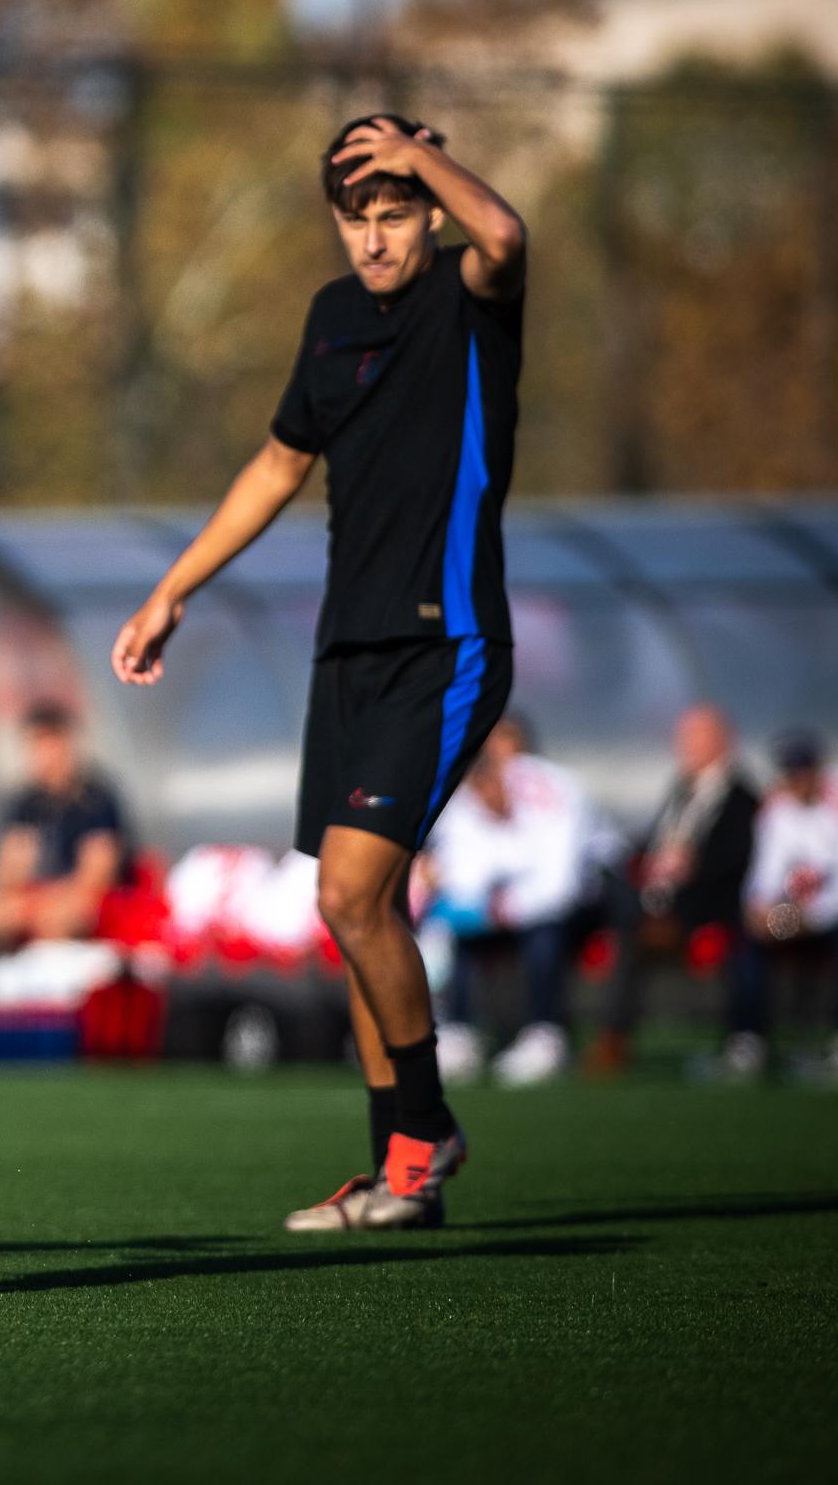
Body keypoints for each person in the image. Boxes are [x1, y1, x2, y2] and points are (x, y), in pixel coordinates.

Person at [111, 113, 526, 1234]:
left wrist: (422, 153)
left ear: (428, 210)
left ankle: (425, 1130)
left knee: (350, 891)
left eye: (397, 214)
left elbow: (504, 226)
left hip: (445, 645)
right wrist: (175, 586)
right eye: (360, 218)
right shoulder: (333, 317)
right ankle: (400, 1170)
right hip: (346, 646)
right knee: (352, 909)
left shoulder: (471, 297)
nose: (378, 239)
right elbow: (279, 462)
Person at [0, 701, 127, 1068]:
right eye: (35, 746)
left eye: (49, 744)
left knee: (59, 914)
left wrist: (32, 897)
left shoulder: (96, 798)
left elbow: (95, 878)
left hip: (72, 902)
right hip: (31, 901)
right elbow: (7, 876)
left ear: (67, 744)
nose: (42, 756)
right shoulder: (27, 802)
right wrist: (14, 881)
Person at [422, 713, 598, 1088]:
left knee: (545, 935)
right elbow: (461, 870)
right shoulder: (467, 794)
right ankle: (456, 1031)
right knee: (455, 934)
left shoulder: (551, 787)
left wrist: (502, 907)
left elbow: (560, 884)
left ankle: (544, 1033)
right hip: (505, 907)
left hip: (576, 904)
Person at [592, 702, 757, 1075]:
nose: (684, 745)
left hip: (705, 904)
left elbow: (735, 862)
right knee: (614, 889)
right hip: (658, 898)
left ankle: (612, 1039)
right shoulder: (682, 789)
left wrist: (688, 867)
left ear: (721, 741)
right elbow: (655, 843)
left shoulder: (741, 798)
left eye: (693, 737)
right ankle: (611, 1040)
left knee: (631, 929)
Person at [729, 729, 838, 1084]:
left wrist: (809, 917)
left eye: (803, 769)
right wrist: (761, 909)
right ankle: (749, 1041)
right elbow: (765, 873)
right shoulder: (778, 805)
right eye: (790, 770)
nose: (797, 778)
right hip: (796, 914)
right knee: (751, 938)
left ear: (819, 767)